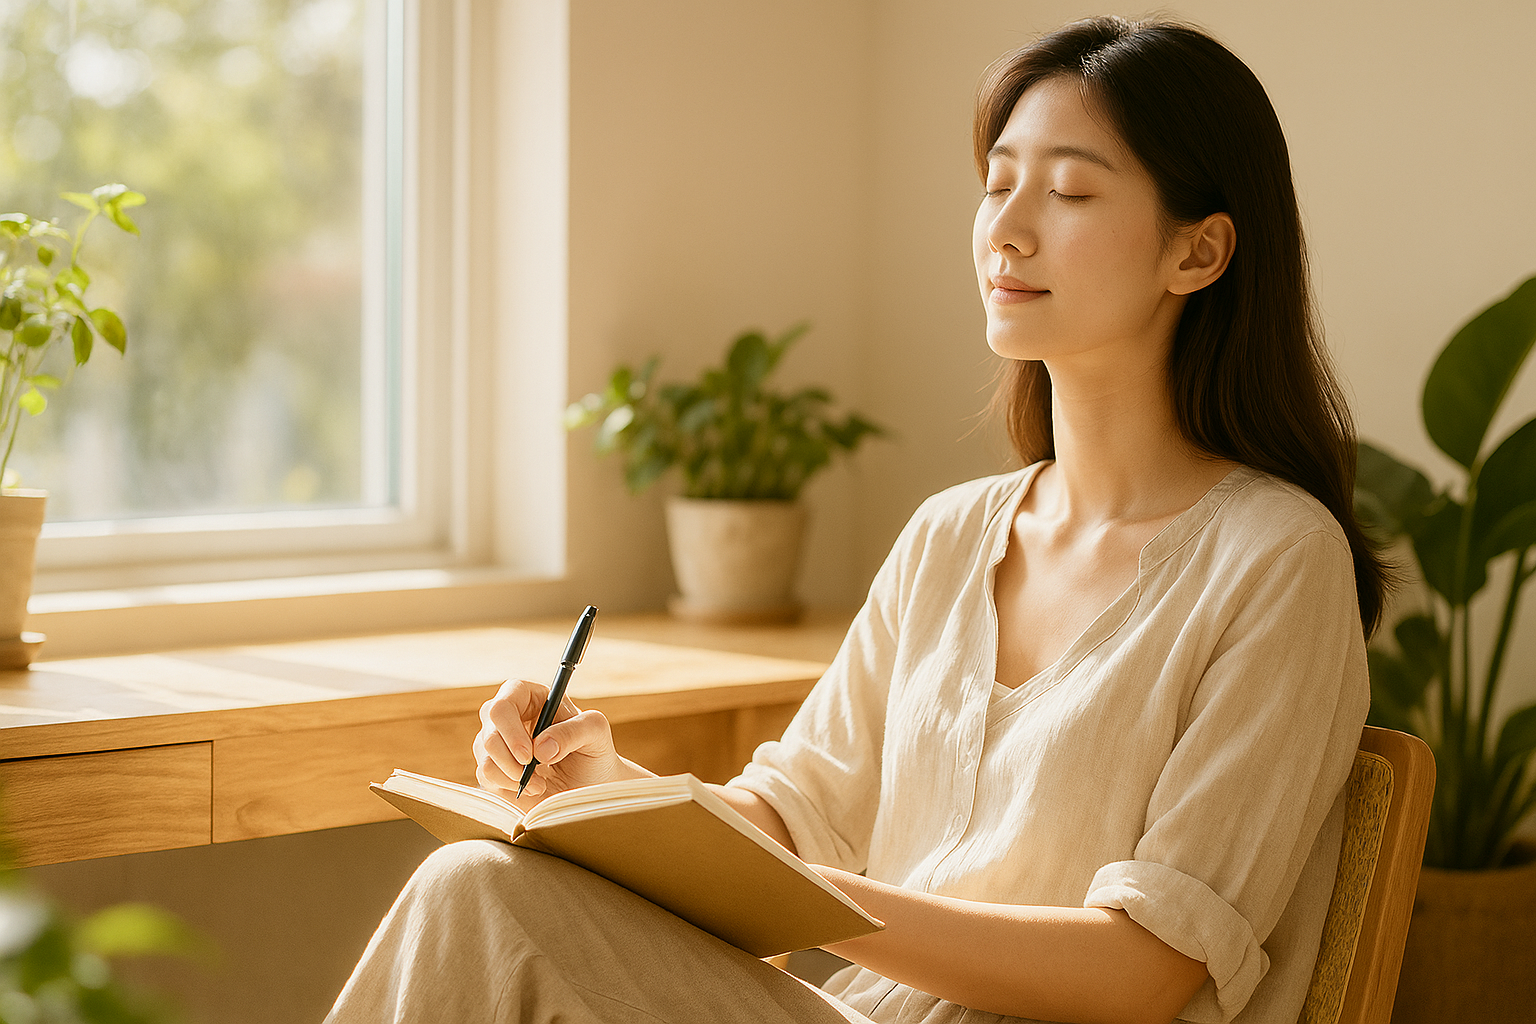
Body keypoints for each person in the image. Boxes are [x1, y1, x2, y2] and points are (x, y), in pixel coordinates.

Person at [326, 16, 1384, 1024]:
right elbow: (793, 815)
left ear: (1196, 254)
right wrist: (606, 792)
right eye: (997, 183)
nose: (1007, 230)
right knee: (478, 879)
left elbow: (1143, 972)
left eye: (1066, 191)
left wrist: (811, 897)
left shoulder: (1277, 559)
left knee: (482, 898)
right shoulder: (951, 537)